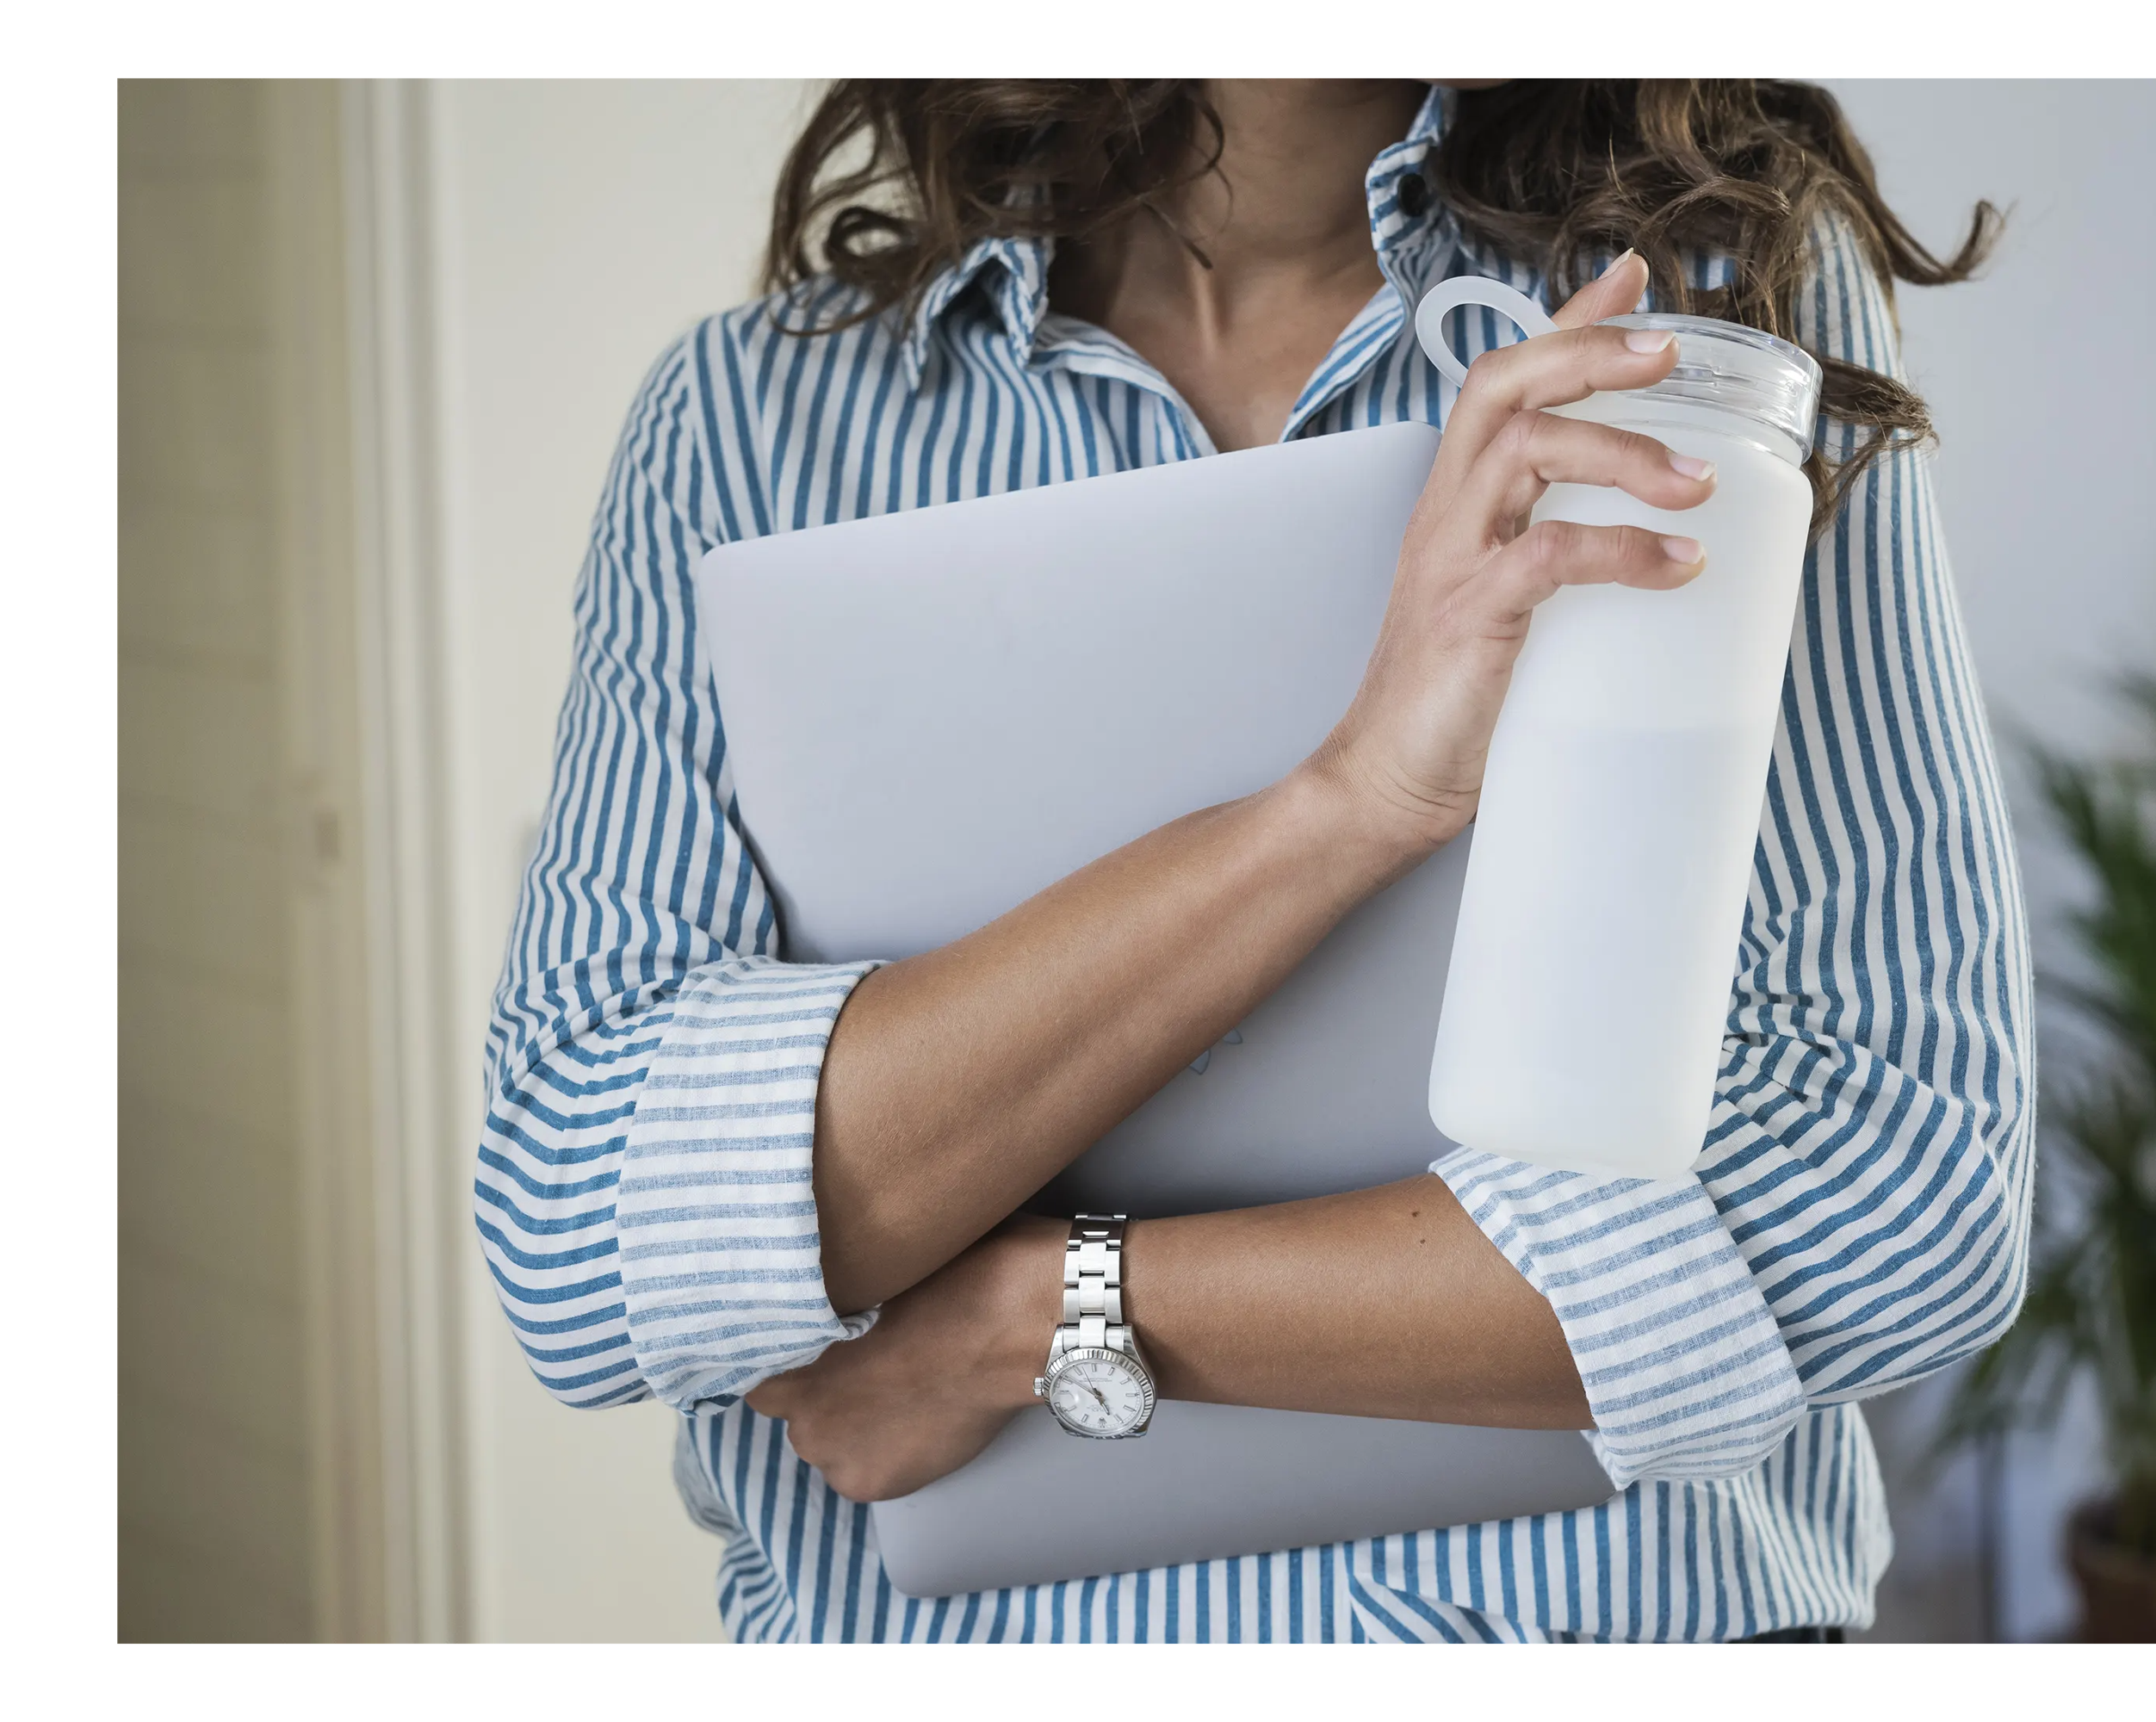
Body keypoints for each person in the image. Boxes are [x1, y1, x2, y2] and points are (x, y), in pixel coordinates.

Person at [478, 77, 2032, 1644]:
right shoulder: (755, 420)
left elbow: (1899, 1184)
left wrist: (1043, 1313)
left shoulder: (1706, 308)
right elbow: (577, 1229)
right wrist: (1343, 808)